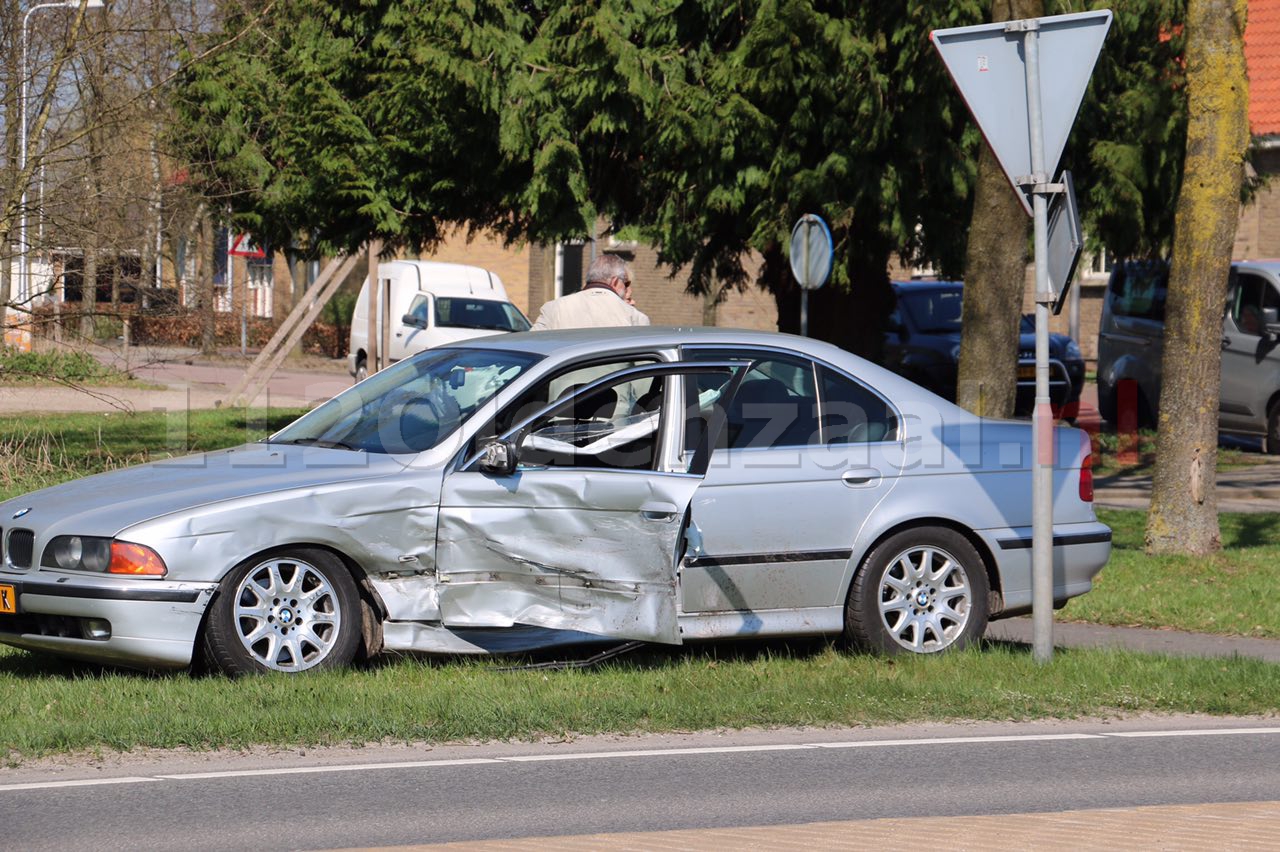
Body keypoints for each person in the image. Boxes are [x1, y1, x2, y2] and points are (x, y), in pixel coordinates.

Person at [530, 254, 650, 330]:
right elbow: (644, 366)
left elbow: (531, 347)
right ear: (615, 281)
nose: (628, 290)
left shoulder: (553, 309)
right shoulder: (635, 318)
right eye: (626, 284)